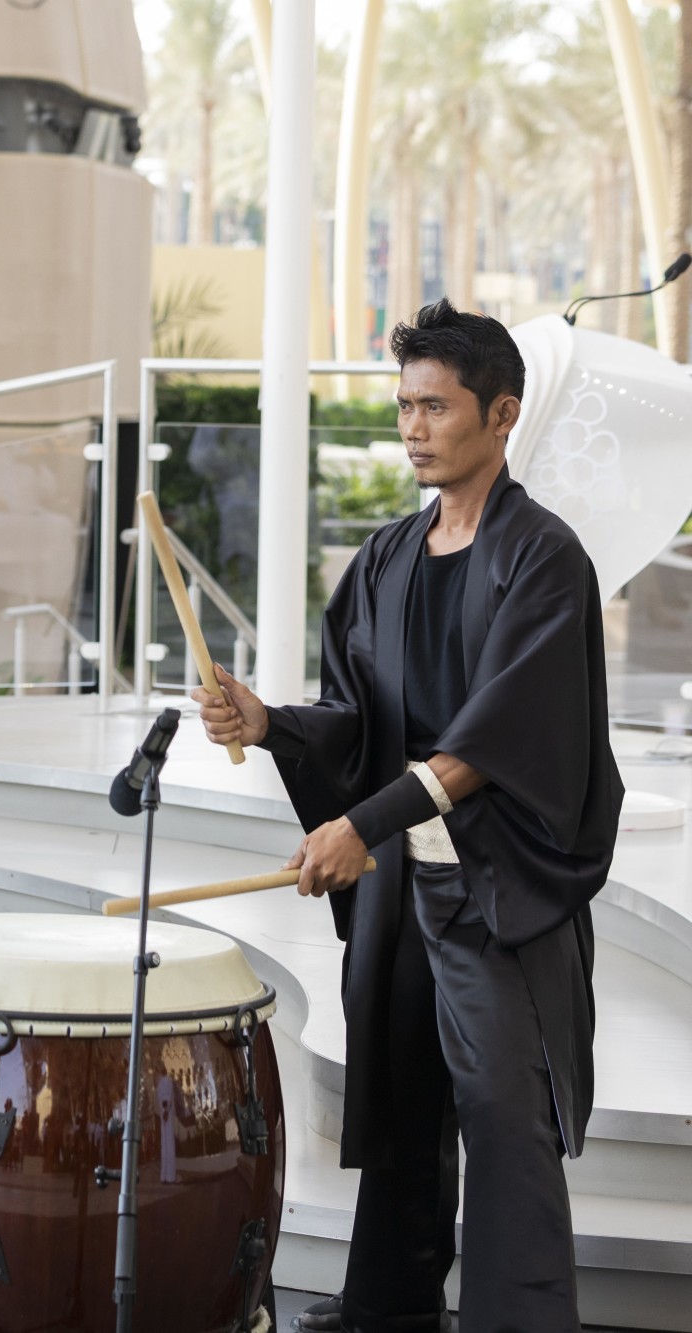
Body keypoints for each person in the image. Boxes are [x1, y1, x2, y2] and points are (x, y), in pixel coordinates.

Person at [193, 298, 622, 1332]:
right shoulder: (384, 558)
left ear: (501, 413)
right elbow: (358, 716)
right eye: (401, 409)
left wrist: (360, 825)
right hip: (400, 887)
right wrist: (270, 720)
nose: (413, 429)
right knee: (398, 1104)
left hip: (495, 887)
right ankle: (388, 1308)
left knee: (503, 1122)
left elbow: (491, 740)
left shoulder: (543, 559)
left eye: (435, 407)